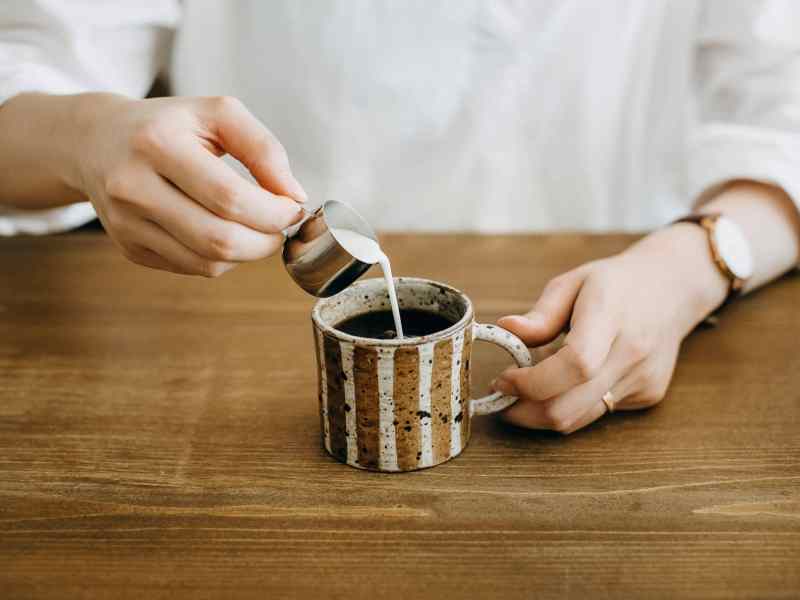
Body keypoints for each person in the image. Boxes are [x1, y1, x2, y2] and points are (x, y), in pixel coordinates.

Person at [1, 1, 798, 434]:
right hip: (214, 340)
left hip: (630, 283)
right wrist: (85, 134)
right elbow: (27, 64)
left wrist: (696, 264)